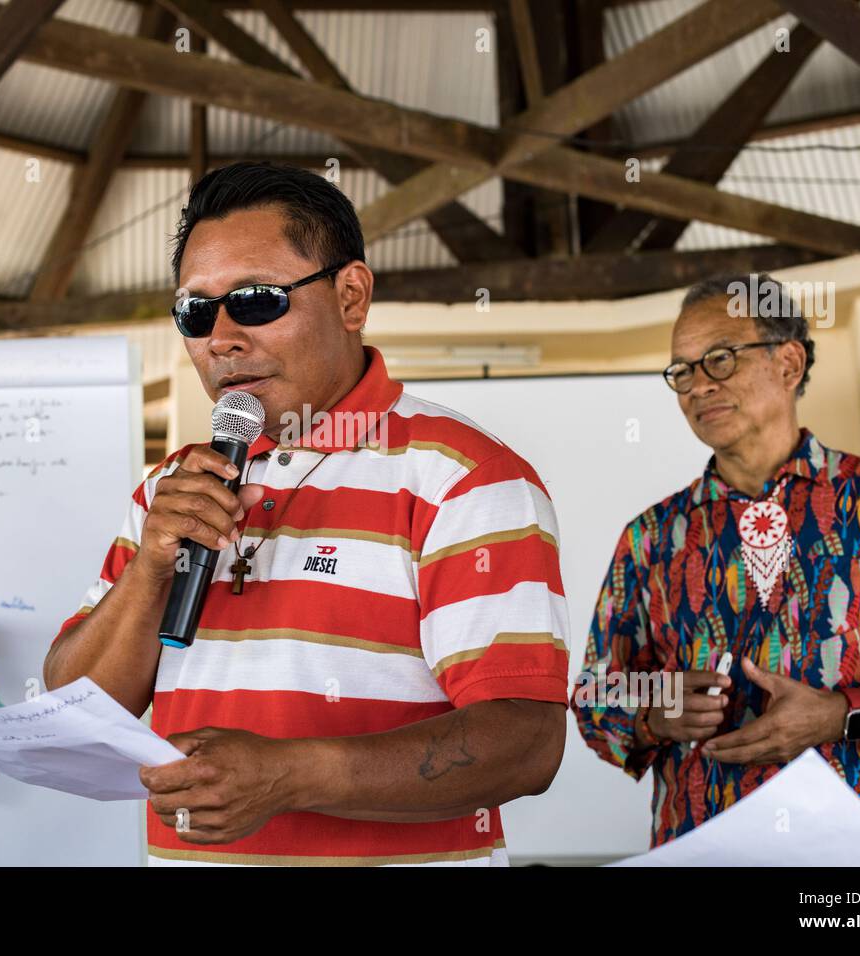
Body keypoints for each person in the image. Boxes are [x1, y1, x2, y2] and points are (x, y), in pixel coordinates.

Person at [45, 161, 570, 866]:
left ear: (351, 297)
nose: (221, 338)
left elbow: (526, 745)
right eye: (196, 312)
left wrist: (289, 776)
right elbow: (74, 716)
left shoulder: (463, 479)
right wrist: (151, 570)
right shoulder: (169, 491)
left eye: (256, 300)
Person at [573, 273, 860, 847]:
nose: (697, 386)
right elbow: (595, 694)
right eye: (682, 371)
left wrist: (843, 715)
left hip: (854, 860)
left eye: (718, 358)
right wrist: (655, 713)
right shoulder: (651, 536)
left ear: (789, 363)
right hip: (700, 852)